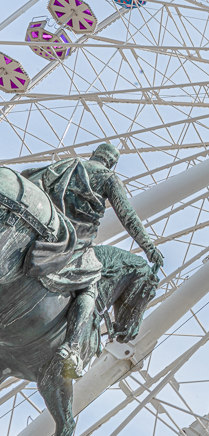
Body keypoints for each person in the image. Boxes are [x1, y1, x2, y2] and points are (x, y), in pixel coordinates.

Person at [21, 143, 162, 377]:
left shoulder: (68, 164)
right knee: (90, 285)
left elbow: (29, 177)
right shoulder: (108, 178)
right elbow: (128, 216)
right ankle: (73, 346)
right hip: (71, 244)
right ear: (112, 163)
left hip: (41, 230)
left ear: (94, 155)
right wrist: (148, 248)